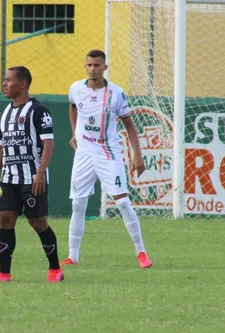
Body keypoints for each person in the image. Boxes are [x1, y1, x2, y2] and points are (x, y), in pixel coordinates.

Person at [61, 49, 152, 268]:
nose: (92, 69)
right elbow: (72, 107)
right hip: (83, 154)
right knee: (79, 204)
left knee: (121, 201)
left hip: (108, 153)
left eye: (97, 65)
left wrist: (137, 155)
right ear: (85, 66)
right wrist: (75, 133)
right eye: (89, 65)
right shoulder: (76, 88)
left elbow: (129, 123)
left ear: (105, 68)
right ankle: (73, 255)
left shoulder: (116, 93)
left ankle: (141, 252)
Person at [0, 66, 64, 282]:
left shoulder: (38, 111)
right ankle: (4, 273)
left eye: (8, 80)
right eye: (4, 80)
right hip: (9, 178)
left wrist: (40, 173)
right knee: (5, 219)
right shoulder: (3, 114)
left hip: (32, 178)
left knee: (37, 222)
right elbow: (0, 148)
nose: (4, 84)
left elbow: (49, 144)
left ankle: (55, 269)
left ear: (23, 84)